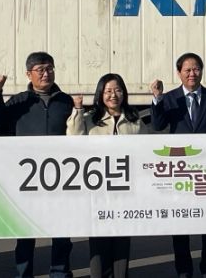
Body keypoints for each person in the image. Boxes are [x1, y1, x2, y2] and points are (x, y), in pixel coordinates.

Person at [0, 52, 73, 278]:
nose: (46, 74)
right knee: (25, 233)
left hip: (61, 177)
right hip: (28, 178)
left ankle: (60, 272)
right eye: (40, 70)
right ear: (28, 74)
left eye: (50, 68)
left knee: (62, 231)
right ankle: (23, 274)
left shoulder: (66, 101)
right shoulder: (19, 101)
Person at [150, 52, 206, 278]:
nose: (192, 74)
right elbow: (157, 125)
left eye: (196, 69)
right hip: (180, 171)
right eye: (187, 70)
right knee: (181, 225)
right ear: (179, 73)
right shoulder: (170, 98)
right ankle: (184, 270)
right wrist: (157, 99)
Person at [67, 73, 147, 278]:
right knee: (99, 244)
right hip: (98, 193)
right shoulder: (90, 119)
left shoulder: (135, 120)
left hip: (125, 193)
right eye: (108, 91)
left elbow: (147, 149)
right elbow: (73, 139)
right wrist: (78, 109)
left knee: (121, 243)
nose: (113, 95)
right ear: (100, 94)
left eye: (118, 90)